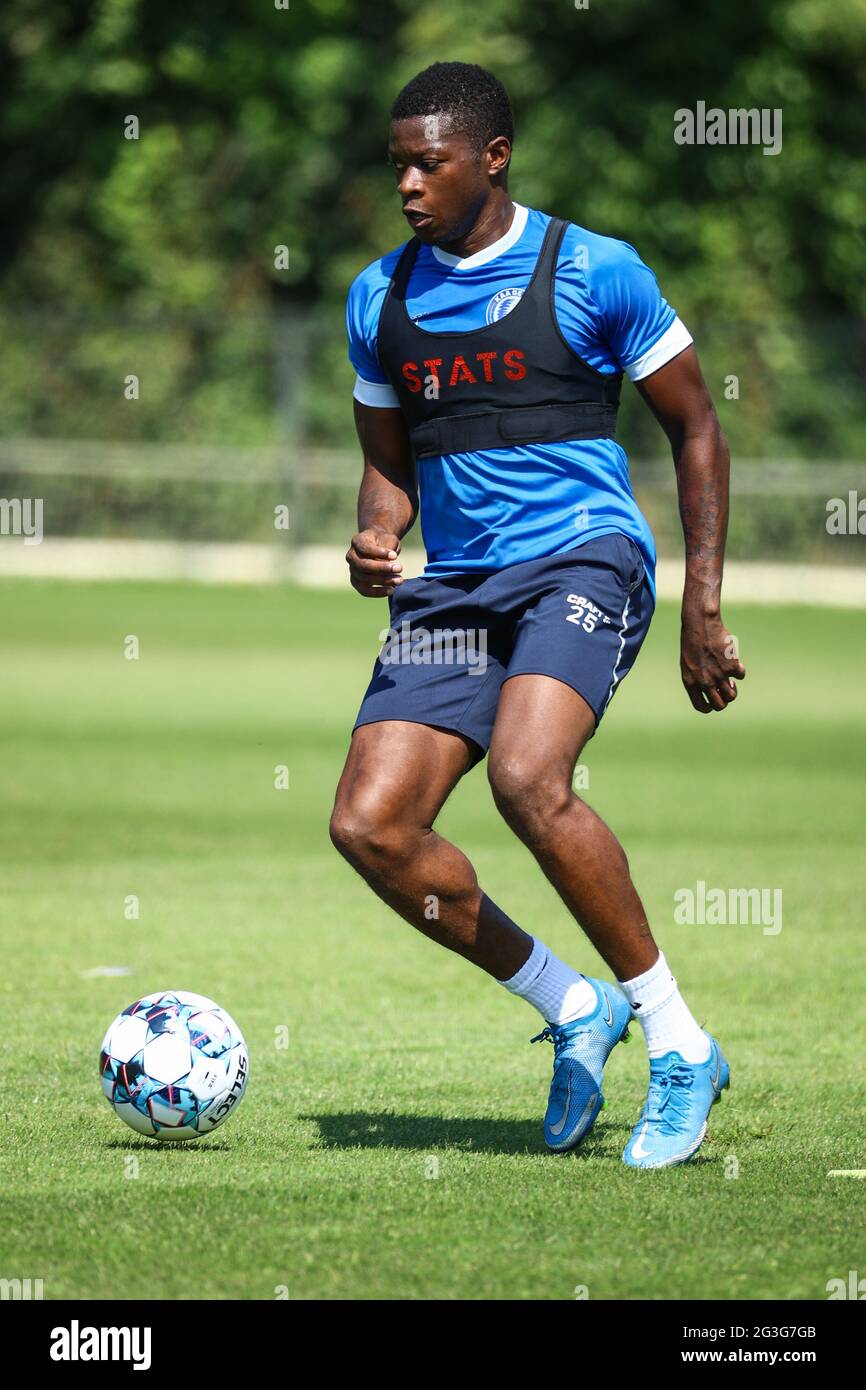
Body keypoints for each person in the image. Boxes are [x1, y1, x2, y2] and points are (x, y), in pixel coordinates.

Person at [330, 61, 745, 1168]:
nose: (409, 183)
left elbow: (695, 426)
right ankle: (570, 1006)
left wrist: (702, 604)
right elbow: (388, 471)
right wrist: (378, 536)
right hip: (454, 586)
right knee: (370, 826)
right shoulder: (378, 298)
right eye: (399, 165)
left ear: (492, 158)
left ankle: (675, 1041)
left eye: (430, 162)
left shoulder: (593, 271)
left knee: (525, 776)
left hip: (583, 559)